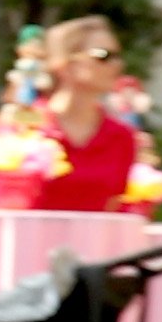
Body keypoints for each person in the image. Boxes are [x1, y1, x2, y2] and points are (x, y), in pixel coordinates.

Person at [34, 13, 144, 213]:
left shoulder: (121, 138)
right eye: (103, 56)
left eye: (118, 56)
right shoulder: (25, 129)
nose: (117, 65)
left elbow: (114, 211)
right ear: (66, 65)